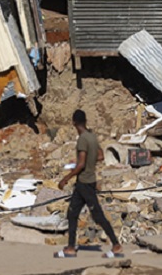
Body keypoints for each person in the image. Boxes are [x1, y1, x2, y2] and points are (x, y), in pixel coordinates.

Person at [54, 110, 124, 259]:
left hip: (84, 182)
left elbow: (81, 164)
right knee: (72, 213)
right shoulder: (92, 137)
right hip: (85, 182)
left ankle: (116, 245)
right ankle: (71, 247)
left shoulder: (82, 139)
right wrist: (85, 163)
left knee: (97, 215)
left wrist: (66, 178)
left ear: (74, 122)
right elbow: (100, 155)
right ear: (85, 121)